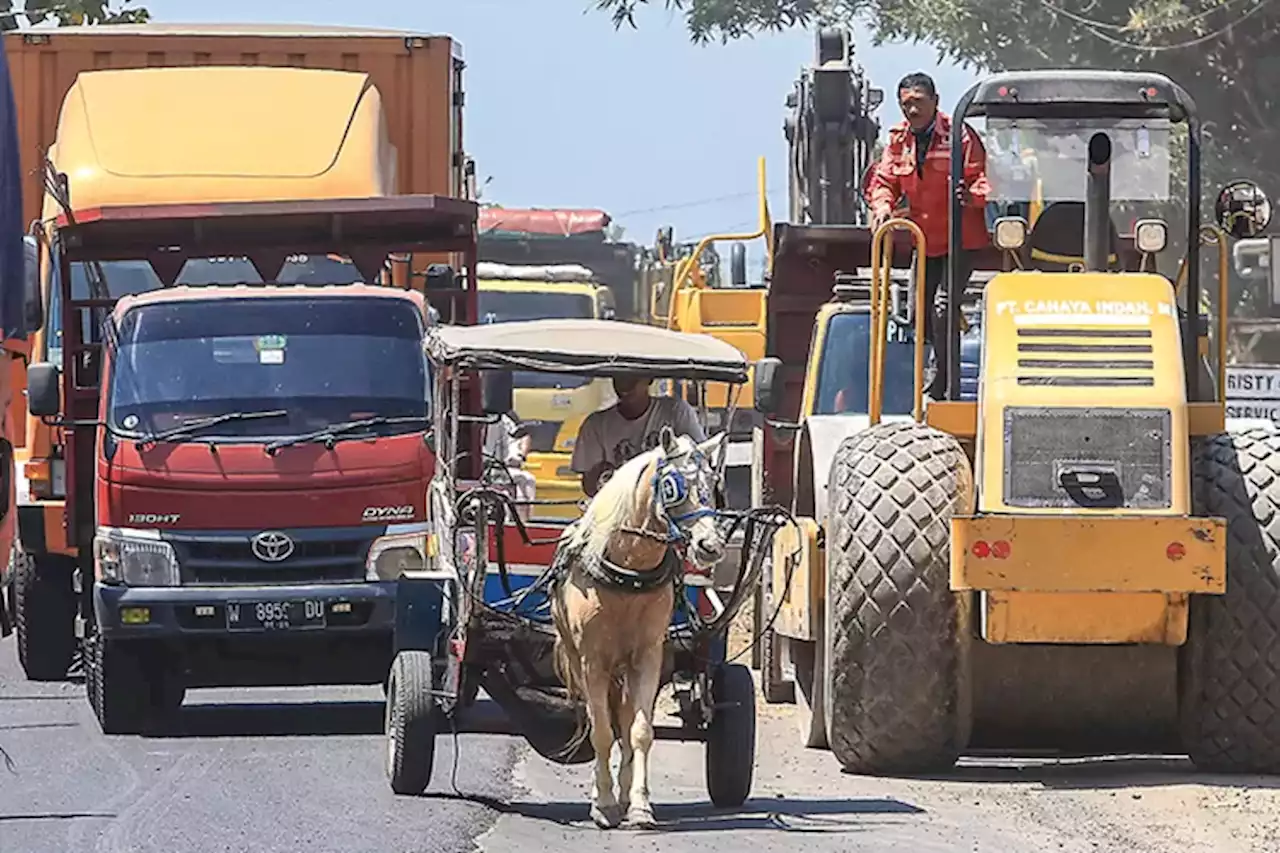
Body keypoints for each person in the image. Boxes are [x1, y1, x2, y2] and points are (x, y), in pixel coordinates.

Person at [865, 71, 992, 401]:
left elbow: (985, 179)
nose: (911, 111)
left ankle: (943, 386)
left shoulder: (960, 137)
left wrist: (974, 195)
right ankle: (932, 372)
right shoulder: (897, 140)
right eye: (905, 104)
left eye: (918, 103)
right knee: (919, 312)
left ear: (935, 102)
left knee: (942, 307)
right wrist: (882, 207)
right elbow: (883, 182)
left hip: (959, 240)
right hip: (924, 241)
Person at [570, 374, 706, 498]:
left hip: (669, 505)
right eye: (619, 378)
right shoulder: (596, 424)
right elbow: (589, 486)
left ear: (650, 379)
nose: (624, 386)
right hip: (620, 508)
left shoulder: (675, 411)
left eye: (632, 378)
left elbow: (699, 460)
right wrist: (603, 477)